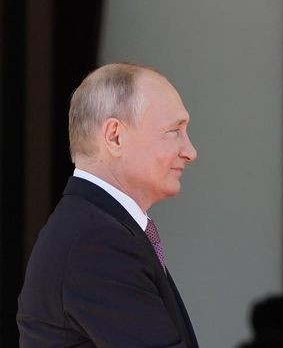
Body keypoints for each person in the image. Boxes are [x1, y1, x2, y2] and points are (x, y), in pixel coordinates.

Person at [17, 63, 199, 347]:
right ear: (115, 136)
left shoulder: (96, 228)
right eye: (174, 131)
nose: (190, 151)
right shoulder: (96, 240)